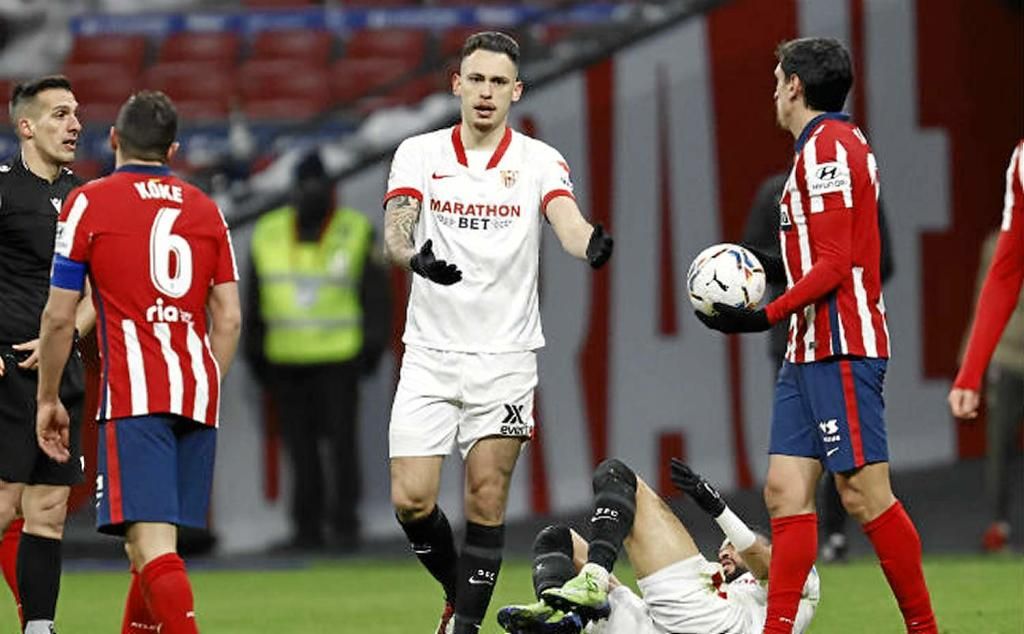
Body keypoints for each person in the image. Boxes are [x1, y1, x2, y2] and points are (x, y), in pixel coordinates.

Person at [695, 38, 938, 633]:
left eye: (778, 79)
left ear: (795, 86)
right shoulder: (819, 147)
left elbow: (833, 265)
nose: (774, 92)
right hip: (807, 349)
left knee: (864, 495)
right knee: (784, 490)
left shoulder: (827, 148)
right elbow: (812, 255)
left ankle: (925, 629)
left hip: (841, 345)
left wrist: (764, 316)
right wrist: (752, 268)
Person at [382, 31, 614, 634]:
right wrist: (414, 259)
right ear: (457, 84)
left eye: (499, 82)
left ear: (517, 91)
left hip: (506, 359)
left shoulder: (538, 160)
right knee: (411, 499)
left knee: (485, 497)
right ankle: (457, 588)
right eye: (477, 80)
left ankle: (463, 626)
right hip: (429, 354)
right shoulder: (419, 153)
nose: (486, 93)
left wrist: (588, 242)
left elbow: (565, 218)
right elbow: (396, 230)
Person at [35, 91, 241, 634]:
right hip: (196, 396)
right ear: (173, 149)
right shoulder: (206, 209)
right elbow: (229, 318)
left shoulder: (89, 202)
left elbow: (59, 316)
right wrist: (205, 383)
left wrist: (48, 397)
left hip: (136, 398)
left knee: (151, 546)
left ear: (113, 139)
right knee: (149, 548)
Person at [742, 171, 895, 563]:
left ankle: (835, 534)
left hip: (840, 342)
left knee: (852, 478)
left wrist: (807, 287)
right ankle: (800, 553)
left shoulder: (854, 181)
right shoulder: (775, 192)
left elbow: (880, 260)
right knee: (786, 480)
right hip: (792, 342)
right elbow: (749, 257)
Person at [244, 150, 390, 552]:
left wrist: (371, 349)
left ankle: (345, 526)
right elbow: (254, 300)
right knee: (301, 450)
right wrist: (255, 353)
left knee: (342, 447)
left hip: (339, 360)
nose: (311, 193)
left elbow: (376, 296)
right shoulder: (268, 232)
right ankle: (307, 528)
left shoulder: (354, 230)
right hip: (285, 361)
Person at [498, 458, 819, 634]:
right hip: (655, 624)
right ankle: (561, 616)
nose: (725, 551)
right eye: (724, 547)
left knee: (616, 475)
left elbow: (766, 565)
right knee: (557, 540)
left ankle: (592, 581)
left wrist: (718, 508)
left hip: (709, 619)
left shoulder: (799, 578)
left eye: (733, 546)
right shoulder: (727, 584)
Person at [0, 74, 95, 634]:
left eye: (76, 113)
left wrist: (64, 337)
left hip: (59, 375)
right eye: (60, 114)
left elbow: (96, 293)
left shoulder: (86, 198)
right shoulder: (4, 189)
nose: (75, 124)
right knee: (3, 504)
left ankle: (40, 628)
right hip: (5, 369)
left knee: (48, 512)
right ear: (26, 127)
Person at [948, 139, 1024, 552]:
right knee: (1001, 445)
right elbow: (1002, 277)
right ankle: (999, 522)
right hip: (1010, 357)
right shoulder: (1022, 161)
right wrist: (970, 371)